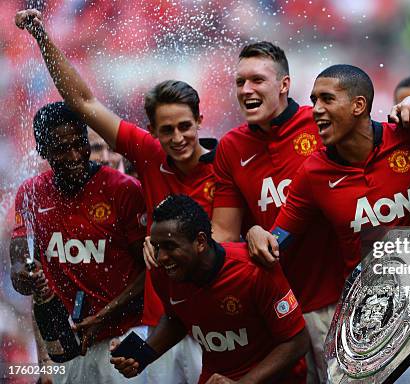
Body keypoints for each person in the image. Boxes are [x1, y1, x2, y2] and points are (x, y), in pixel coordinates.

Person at [16, 9, 207, 383]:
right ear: (151, 132)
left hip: (194, 325)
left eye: (186, 126)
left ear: (201, 123)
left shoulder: (227, 163)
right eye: (166, 129)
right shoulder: (151, 160)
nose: (177, 138)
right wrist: (41, 37)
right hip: (143, 330)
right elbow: (84, 101)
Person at [247, 64, 410, 382]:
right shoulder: (313, 172)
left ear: (359, 105)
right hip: (367, 322)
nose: (316, 110)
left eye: (327, 99)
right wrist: (256, 233)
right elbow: (278, 239)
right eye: (314, 100)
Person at [211, 41, 343, 383]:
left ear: (284, 85)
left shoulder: (321, 126)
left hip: (338, 301)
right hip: (279, 313)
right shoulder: (230, 146)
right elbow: (223, 236)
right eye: (240, 82)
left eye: (257, 80)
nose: (246, 90)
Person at [10, 102, 147, 384]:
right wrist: (25, 277)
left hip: (122, 341)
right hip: (69, 349)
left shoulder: (123, 190)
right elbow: (19, 270)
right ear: (42, 151)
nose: (74, 156)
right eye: (61, 148)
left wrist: (103, 316)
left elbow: (152, 272)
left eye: (79, 144)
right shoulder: (30, 194)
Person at [111, 194, 310, 383]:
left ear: (200, 242)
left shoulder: (253, 270)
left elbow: (298, 341)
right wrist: (141, 355)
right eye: (157, 246)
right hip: (215, 378)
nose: (161, 257)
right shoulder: (165, 272)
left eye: (170, 246)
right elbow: (176, 319)